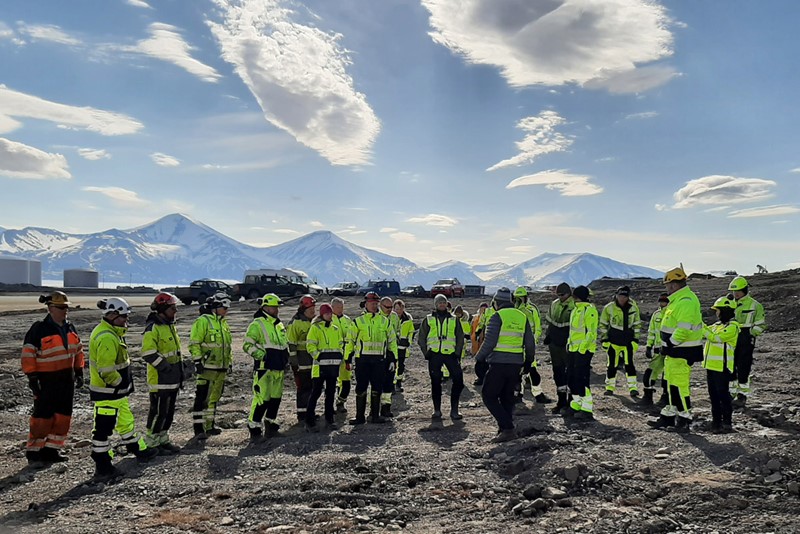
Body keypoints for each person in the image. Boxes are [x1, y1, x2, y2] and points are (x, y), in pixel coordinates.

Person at [89, 298, 157, 480]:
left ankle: (137, 449)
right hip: (108, 393)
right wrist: (118, 383)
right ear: (112, 315)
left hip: (116, 393)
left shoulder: (112, 333)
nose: (126, 321)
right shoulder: (107, 337)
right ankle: (102, 465)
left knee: (125, 422)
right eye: (123, 317)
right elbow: (106, 369)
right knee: (103, 430)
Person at [21, 291, 85, 466]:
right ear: (50, 308)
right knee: (43, 416)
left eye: (66, 307)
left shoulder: (70, 328)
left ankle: (52, 450)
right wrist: (32, 377)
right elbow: (28, 354)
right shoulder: (39, 329)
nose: (65, 310)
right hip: (46, 380)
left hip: (66, 379)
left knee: (63, 415)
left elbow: (78, 351)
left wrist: (79, 371)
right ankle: (34, 451)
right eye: (61, 307)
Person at [474, 288, 535, 443]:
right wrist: (529, 361)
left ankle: (508, 428)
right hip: (516, 364)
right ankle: (504, 430)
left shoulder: (497, 316)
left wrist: (479, 358)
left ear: (496, 302)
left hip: (498, 363)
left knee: (489, 396)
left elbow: (489, 342)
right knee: (507, 397)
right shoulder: (522, 317)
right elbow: (529, 342)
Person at [648, 266, 704, 434]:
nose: (667, 288)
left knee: (679, 386)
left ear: (674, 285)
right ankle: (669, 415)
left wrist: (670, 343)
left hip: (682, 351)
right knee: (671, 383)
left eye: (668, 285)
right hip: (674, 352)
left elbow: (683, 329)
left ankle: (684, 418)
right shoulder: (679, 300)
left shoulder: (686, 301)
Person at [140, 292, 183, 454]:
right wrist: (166, 368)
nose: (175, 311)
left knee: (168, 412)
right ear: (163, 309)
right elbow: (148, 353)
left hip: (171, 379)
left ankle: (163, 440)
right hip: (160, 379)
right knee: (158, 412)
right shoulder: (153, 328)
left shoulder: (170, 326)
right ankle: (151, 443)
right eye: (173, 308)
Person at [243, 293, 290, 441]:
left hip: (278, 368)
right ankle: (254, 429)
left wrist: (286, 359)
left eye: (277, 307)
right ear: (265, 307)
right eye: (273, 307)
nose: (276, 309)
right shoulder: (257, 324)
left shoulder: (279, 324)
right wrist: (262, 356)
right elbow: (247, 345)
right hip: (264, 368)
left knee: (276, 398)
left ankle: (271, 425)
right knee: (261, 399)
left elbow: (284, 344)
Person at [348, 292, 397, 425]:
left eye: (376, 303)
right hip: (362, 360)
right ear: (366, 304)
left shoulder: (385, 321)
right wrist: (348, 358)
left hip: (379, 360)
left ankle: (375, 416)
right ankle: (359, 417)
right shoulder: (358, 322)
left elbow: (392, 341)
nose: (374, 306)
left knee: (377, 387)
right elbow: (350, 340)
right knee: (361, 388)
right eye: (372, 303)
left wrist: (393, 359)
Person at [189, 292, 233, 439]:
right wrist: (197, 361)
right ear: (215, 307)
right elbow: (194, 343)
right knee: (202, 399)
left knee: (214, 398)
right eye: (224, 308)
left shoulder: (223, 323)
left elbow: (227, 346)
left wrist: (229, 363)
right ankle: (199, 429)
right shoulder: (203, 321)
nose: (226, 311)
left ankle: (209, 426)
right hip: (207, 368)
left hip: (221, 369)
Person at [418, 294, 465, 421]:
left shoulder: (454, 319)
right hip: (434, 354)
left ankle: (454, 410)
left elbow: (460, 337)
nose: (442, 305)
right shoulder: (428, 319)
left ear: (447, 304)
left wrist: (458, 352)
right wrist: (425, 352)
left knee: (458, 380)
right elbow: (421, 337)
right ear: (436, 304)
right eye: (439, 303)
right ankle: (437, 410)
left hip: (450, 354)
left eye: (444, 302)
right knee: (435, 382)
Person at [702, 297, 740, 433]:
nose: (716, 313)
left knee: (723, 395)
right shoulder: (716, 326)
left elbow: (714, 338)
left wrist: (701, 327)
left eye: (718, 310)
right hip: (711, 367)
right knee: (713, 396)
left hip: (722, 367)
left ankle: (727, 423)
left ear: (725, 311)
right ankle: (716, 423)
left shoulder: (733, 327)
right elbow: (706, 332)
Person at [727, 276, 766, 408]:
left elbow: (760, 324)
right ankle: (731, 392)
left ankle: (742, 395)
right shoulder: (730, 303)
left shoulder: (755, 305)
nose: (735, 294)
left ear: (745, 290)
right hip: (731, 337)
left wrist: (750, 333)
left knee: (743, 367)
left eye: (738, 291)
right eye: (733, 291)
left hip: (745, 338)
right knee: (730, 366)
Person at [305, 303, 345, 431]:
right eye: (327, 313)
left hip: (333, 367)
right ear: (322, 314)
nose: (329, 315)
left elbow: (340, 344)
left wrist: (340, 356)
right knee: (316, 393)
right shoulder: (315, 328)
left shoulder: (335, 329)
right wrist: (319, 357)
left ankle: (330, 420)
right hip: (319, 368)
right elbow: (310, 346)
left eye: (330, 313)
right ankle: (309, 422)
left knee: (331, 394)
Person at [599, 286, 642, 397]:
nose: (622, 298)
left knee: (629, 365)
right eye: (620, 296)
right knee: (612, 365)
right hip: (613, 341)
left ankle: (633, 388)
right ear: (616, 295)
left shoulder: (633, 308)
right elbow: (603, 324)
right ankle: (609, 388)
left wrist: (636, 340)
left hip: (628, 341)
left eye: (625, 296)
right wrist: (605, 339)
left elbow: (637, 324)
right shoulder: (609, 308)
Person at [513, 286, 551, 404]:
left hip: (528, 346)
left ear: (525, 297)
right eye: (516, 298)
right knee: (517, 372)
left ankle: (538, 393)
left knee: (532, 370)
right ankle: (518, 394)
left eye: (520, 298)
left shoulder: (532, 309)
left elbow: (537, 327)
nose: (518, 300)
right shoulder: (513, 310)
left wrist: (532, 342)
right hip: (517, 346)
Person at [566, 286, 598, 421]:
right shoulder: (575, 310)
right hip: (573, 349)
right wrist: (569, 343)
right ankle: (576, 403)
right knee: (571, 377)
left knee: (581, 377)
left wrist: (582, 348)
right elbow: (573, 330)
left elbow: (591, 332)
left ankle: (587, 407)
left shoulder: (589, 310)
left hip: (584, 351)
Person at [544, 283, 575, 414]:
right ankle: (561, 400)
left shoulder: (574, 305)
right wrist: (548, 335)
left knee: (570, 375)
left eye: (563, 295)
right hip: (555, 344)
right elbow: (550, 321)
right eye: (558, 295)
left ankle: (571, 402)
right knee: (558, 373)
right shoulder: (554, 304)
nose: (560, 297)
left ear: (569, 293)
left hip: (568, 344)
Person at [287, 295, 317, 422]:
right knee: (303, 388)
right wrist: (294, 362)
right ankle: (302, 414)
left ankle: (310, 412)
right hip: (301, 361)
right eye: (311, 309)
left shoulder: (314, 322)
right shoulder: (295, 323)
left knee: (312, 387)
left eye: (314, 309)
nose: (313, 311)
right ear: (304, 309)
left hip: (313, 361)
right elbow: (291, 343)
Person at [642, 293, 670, 406]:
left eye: (665, 301)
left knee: (667, 374)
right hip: (658, 349)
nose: (662, 303)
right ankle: (647, 396)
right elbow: (652, 332)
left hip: (669, 350)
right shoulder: (656, 315)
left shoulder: (672, 314)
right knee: (650, 372)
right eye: (661, 301)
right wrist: (649, 346)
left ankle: (666, 397)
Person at [378, 296, 402, 417]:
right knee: (377, 382)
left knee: (388, 381)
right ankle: (374, 408)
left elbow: (397, 331)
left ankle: (386, 407)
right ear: (380, 306)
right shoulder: (376, 317)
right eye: (386, 307)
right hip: (377, 353)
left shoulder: (394, 317)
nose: (389, 309)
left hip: (391, 353)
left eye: (391, 307)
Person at [331, 297, 355, 413]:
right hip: (333, 356)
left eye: (342, 307)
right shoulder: (329, 320)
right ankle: (330, 405)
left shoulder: (347, 320)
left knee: (346, 382)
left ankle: (341, 401)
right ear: (332, 307)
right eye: (338, 307)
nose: (340, 309)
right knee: (332, 382)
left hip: (346, 356)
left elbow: (352, 336)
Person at [393, 299, 414, 392]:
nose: (399, 311)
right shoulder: (390, 318)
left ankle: (398, 382)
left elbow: (411, 332)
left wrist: (408, 342)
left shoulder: (408, 319)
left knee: (401, 365)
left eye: (400, 308)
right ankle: (391, 384)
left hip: (402, 346)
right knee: (391, 365)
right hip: (392, 346)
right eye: (397, 309)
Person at [472, 301, 495, 386]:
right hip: (486, 339)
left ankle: (491, 379)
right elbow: (481, 322)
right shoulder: (487, 312)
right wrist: (478, 331)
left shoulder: (501, 312)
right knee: (481, 359)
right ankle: (481, 377)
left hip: (498, 340)